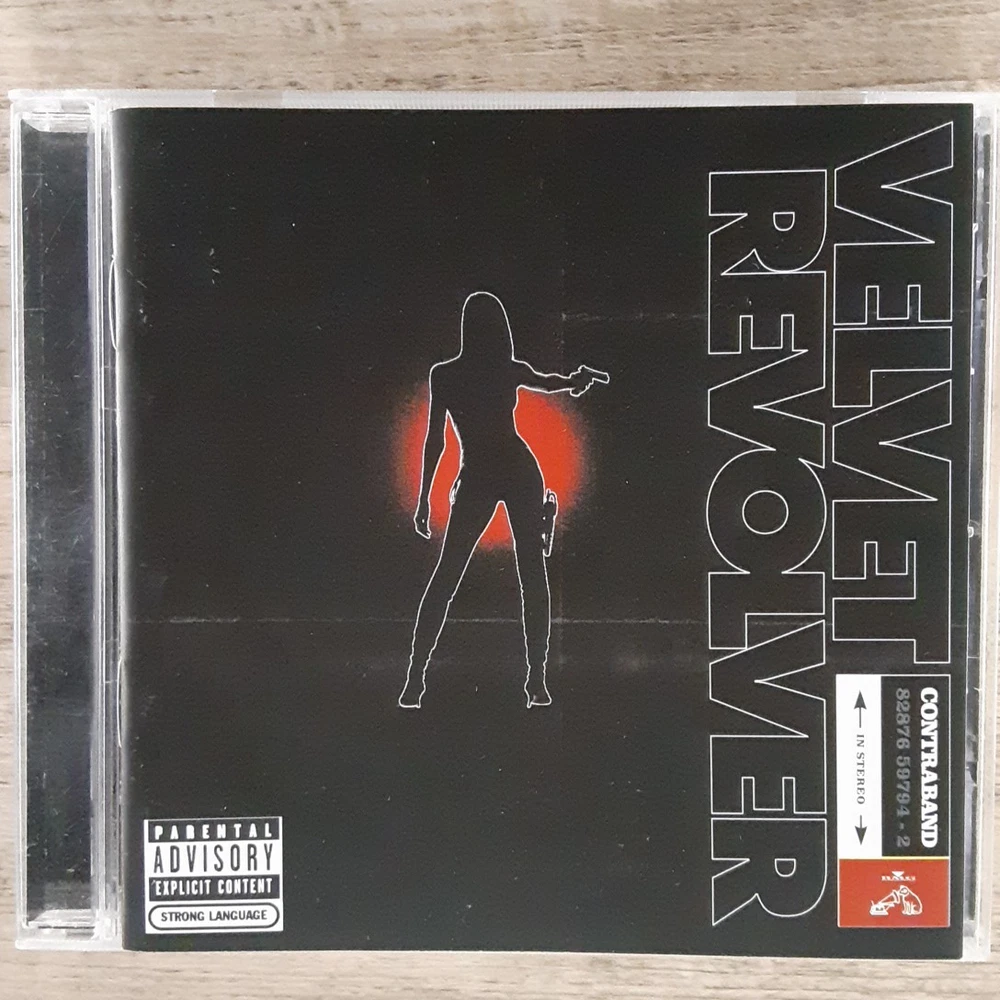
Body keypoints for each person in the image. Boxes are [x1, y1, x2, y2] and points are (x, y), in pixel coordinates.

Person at [398, 291, 609, 709]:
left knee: (486, 573)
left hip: (498, 472)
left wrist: (425, 498)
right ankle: (524, 680)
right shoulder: (497, 370)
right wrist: (573, 381)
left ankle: (427, 680)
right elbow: (548, 382)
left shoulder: (449, 375)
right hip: (500, 472)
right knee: (513, 572)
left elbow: (438, 440)